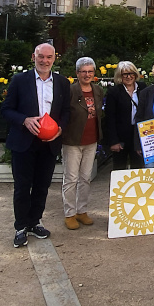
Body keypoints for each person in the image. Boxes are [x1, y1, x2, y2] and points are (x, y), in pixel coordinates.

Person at [1, 43, 70, 248]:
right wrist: (24, 120)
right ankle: (20, 226)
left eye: (49, 57)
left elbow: (66, 111)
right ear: (33, 57)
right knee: (22, 187)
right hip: (24, 142)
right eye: (41, 56)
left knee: (42, 186)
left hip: (48, 144)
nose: (44, 61)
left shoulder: (62, 82)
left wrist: (60, 129)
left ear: (54, 59)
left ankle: (35, 222)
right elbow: (6, 110)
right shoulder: (20, 80)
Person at [61, 57, 103, 230]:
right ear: (77, 73)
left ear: (94, 74)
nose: (87, 74)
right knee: (71, 178)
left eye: (90, 71)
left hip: (91, 140)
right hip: (72, 140)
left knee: (86, 178)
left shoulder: (98, 90)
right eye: (83, 71)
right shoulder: (70, 91)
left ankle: (82, 211)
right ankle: (69, 213)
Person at [103, 61, 144, 170]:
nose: (129, 77)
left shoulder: (143, 88)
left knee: (138, 168)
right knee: (119, 169)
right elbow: (110, 118)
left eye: (131, 73)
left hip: (138, 134)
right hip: (121, 136)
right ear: (120, 76)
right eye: (125, 74)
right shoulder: (114, 92)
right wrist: (113, 141)